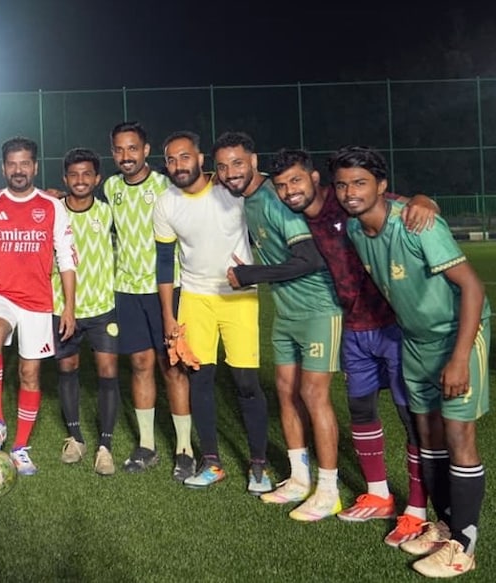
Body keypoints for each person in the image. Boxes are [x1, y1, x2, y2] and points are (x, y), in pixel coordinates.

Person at [271, 148, 436, 543]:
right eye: (282, 185)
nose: (290, 191)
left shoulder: (346, 202)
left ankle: (416, 508)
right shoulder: (300, 218)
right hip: (354, 327)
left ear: (314, 180)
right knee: (361, 410)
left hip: (395, 325)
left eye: (297, 180)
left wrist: (424, 200)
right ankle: (379, 494)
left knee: (409, 416)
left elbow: (398, 202)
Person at [339, 145, 489, 578]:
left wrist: (460, 357)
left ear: (383, 187)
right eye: (344, 183)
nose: (351, 192)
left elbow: (473, 288)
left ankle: (464, 545)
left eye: (361, 183)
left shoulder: (418, 224)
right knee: (427, 434)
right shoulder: (354, 228)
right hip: (416, 341)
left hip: (458, 334)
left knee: (459, 433)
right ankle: (444, 525)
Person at [216, 132, 340, 519]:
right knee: (286, 393)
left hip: (319, 310)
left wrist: (251, 273)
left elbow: (309, 259)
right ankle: (299, 479)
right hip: (286, 313)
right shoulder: (249, 198)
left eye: (238, 163)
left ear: (254, 162)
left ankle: (329, 490)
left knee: (313, 395)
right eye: (222, 166)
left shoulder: (275, 197)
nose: (230, 172)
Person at [153, 130, 271, 492]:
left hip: (239, 297)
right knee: (200, 380)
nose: (178, 165)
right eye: (171, 159)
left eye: (185, 157)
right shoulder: (165, 204)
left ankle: (259, 467)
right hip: (195, 298)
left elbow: (275, 184)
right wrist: (169, 316)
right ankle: (212, 462)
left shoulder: (230, 188)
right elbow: (164, 264)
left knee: (246, 383)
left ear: (200, 159)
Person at [0, 136, 77, 476]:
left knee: (29, 374)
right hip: (1, 294)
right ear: (3, 167)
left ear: (35, 166)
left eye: (25, 163)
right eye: (12, 164)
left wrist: (69, 307)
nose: (18, 170)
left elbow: (67, 260)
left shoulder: (52, 206)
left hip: (39, 302)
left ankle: (20, 447)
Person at [103, 121, 193, 480]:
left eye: (133, 149)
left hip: (166, 288)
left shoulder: (166, 185)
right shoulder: (111, 187)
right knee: (140, 363)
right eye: (119, 150)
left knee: (171, 365)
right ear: (113, 153)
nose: (126, 156)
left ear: (146, 150)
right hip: (126, 289)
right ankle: (146, 445)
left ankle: (184, 449)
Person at [51, 148, 120, 476]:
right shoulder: (53, 211)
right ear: (65, 179)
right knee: (68, 368)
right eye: (73, 175)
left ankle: (105, 446)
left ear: (97, 179)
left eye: (86, 174)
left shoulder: (107, 213)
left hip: (102, 306)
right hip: (61, 307)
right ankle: (76, 438)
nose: (80, 180)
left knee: (108, 371)